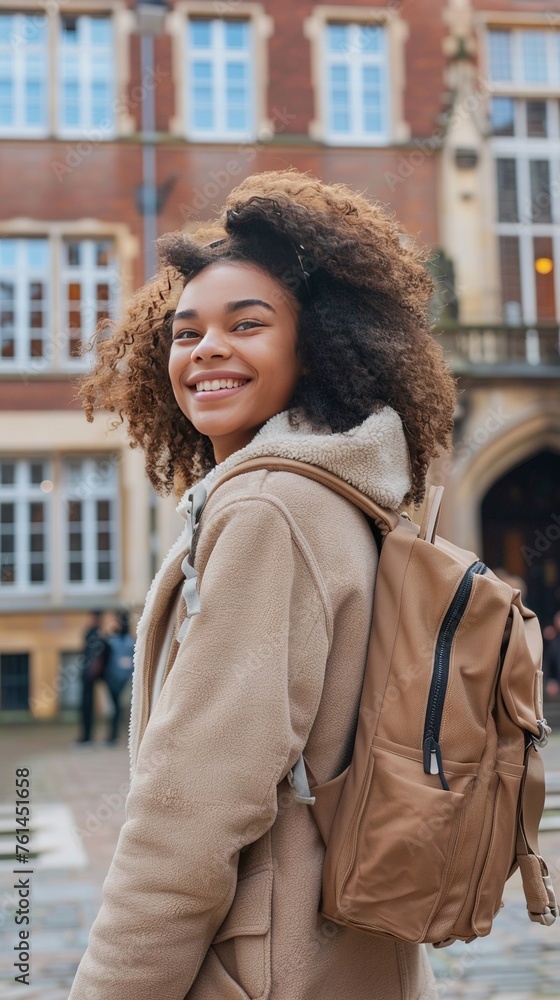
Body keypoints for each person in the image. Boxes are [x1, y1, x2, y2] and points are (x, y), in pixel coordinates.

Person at [69, 170, 455, 999]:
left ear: (312, 347)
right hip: (348, 959)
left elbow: (191, 813)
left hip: (269, 970)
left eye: (247, 324)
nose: (206, 348)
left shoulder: (270, 512)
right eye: (185, 332)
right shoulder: (346, 497)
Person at [75, 609, 107, 745]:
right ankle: (86, 735)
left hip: (89, 675)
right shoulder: (92, 633)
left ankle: (87, 736)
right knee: (85, 706)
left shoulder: (98, 634)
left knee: (88, 705)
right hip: (86, 674)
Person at [103, 610, 135, 745]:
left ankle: (120, 736)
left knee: (122, 708)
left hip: (124, 679)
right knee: (114, 708)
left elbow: (131, 662)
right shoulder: (112, 639)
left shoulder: (129, 641)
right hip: (112, 678)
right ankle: (113, 735)